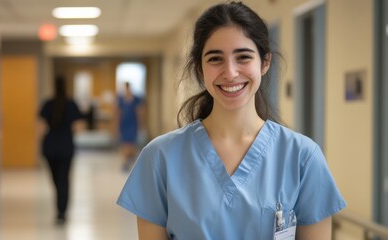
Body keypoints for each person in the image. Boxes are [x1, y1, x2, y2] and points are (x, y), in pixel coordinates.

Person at [117, 1, 346, 239]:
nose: (230, 72)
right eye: (215, 59)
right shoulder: (160, 158)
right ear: (199, 67)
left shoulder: (302, 157)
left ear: (264, 63)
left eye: (243, 57)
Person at [38, 76, 85, 225]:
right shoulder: (71, 104)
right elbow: (79, 127)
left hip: (50, 147)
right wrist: (69, 130)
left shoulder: (47, 104)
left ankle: (60, 208)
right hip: (65, 147)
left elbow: (39, 127)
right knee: (63, 179)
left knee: (56, 181)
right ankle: (61, 212)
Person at [116, 81, 144, 171]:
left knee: (131, 144)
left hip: (132, 123)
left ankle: (130, 160)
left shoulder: (135, 99)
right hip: (124, 123)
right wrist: (116, 124)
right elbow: (118, 112)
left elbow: (139, 111)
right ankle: (126, 162)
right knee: (125, 144)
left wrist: (140, 123)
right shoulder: (121, 99)